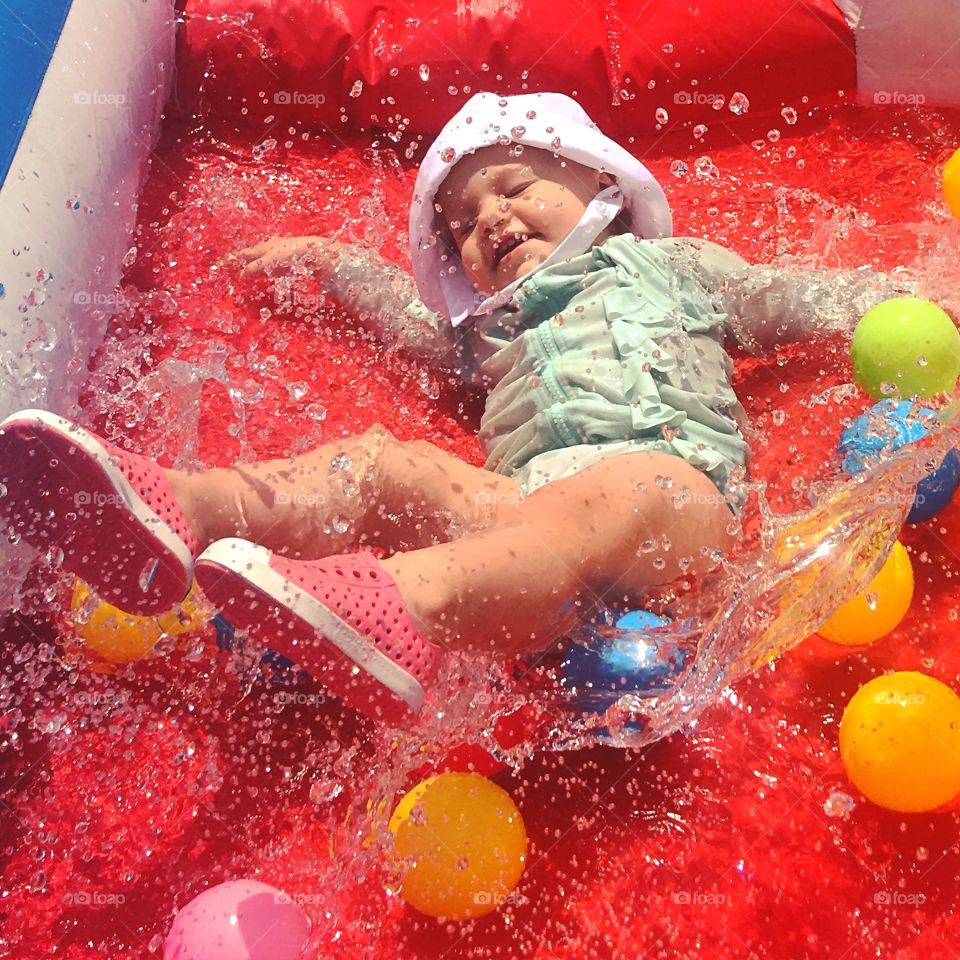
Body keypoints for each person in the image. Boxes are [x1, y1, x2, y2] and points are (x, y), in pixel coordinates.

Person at [0, 92, 910, 725]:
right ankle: (180, 509)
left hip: (672, 507)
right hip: (521, 521)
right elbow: (406, 315)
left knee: (621, 490)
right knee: (381, 460)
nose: (493, 223)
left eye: (514, 189)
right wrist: (328, 261)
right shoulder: (484, 334)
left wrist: (912, 305)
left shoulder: (678, 269)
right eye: (466, 226)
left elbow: (793, 300)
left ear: (600, 183)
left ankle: (402, 605)